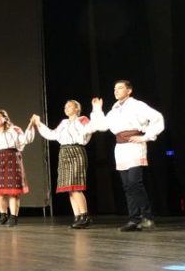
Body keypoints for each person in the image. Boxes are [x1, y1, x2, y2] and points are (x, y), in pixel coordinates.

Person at [90, 80, 164, 231]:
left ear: (129, 90)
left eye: (120, 88)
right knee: (127, 186)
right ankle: (134, 219)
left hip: (134, 146)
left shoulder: (137, 105)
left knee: (135, 183)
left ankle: (147, 217)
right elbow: (102, 126)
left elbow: (157, 118)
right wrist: (97, 110)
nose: (116, 91)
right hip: (121, 148)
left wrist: (146, 137)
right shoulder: (114, 109)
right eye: (114, 88)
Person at [31, 100, 95, 229]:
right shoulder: (64, 122)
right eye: (65, 106)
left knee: (76, 187)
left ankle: (85, 216)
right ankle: (77, 216)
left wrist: (75, 122)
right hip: (64, 152)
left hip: (76, 151)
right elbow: (52, 135)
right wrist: (38, 124)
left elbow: (87, 131)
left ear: (77, 109)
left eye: (69, 106)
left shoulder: (83, 120)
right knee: (69, 189)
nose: (66, 108)